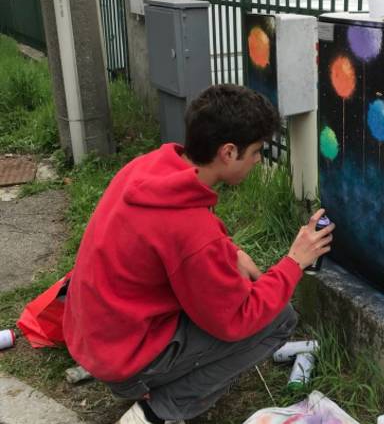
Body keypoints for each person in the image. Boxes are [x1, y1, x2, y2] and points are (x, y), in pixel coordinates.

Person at [62, 84, 334, 424]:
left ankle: (147, 377)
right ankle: (157, 411)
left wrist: (229, 250)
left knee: (241, 290)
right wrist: (295, 261)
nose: (258, 160)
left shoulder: (150, 168)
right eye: (256, 152)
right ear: (229, 152)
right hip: (124, 362)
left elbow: (187, 227)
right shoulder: (192, 233)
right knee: (280, 320)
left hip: (95, 336)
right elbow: (238, 319)